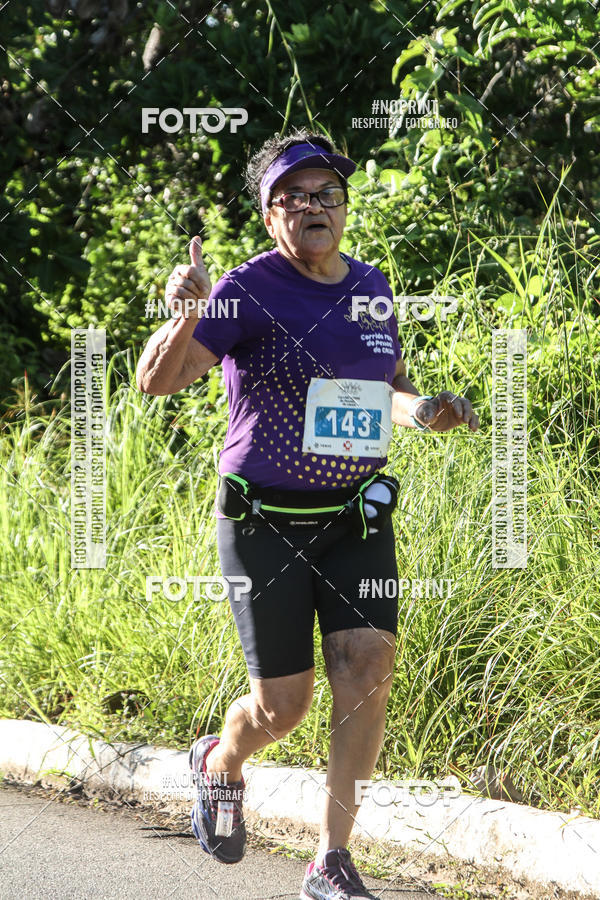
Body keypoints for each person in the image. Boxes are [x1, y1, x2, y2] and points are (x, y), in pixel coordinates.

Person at [136, 128, 479, 900]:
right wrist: (187, 312)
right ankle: (220, 760)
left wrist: (422, 409)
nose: (317, 207)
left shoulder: (373, 284)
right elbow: (158, 381)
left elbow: (381, 384)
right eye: (297, 197)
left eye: (330, 194)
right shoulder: (246, 288)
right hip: (263, 522)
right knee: (282, 708)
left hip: (355, 516)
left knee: (367, 670)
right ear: (270, 215)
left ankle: (331, 860)